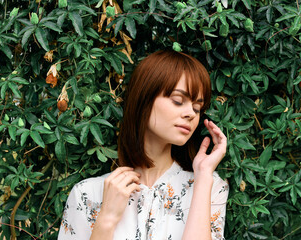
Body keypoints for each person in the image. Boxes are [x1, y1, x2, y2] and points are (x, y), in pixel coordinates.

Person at [58, 50, 229, 240]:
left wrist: (204, 175)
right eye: (178, 101)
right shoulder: (87, 194)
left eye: (197, 108)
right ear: (144, 100)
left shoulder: (210, 188)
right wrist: (106, 219)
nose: (191, 113)